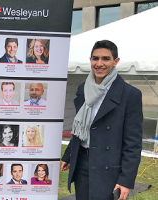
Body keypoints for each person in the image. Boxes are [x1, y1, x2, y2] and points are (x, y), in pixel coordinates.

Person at [60, 40, 143, 200]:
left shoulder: (130, 94)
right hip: (82, 161)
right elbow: (80, 127)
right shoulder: (83, 88)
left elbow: (133, 143)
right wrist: (68, 156)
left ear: (115, 62)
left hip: (108, 165)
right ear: (90, 60)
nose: (99, 63)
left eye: (105, 59)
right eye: (95, 58)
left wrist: (126, 180)